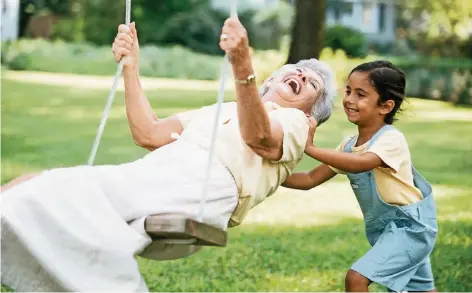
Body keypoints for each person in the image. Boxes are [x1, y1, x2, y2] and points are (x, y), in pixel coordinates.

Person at [0, 17, 337, 292]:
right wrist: (131, 66)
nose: (301, 75)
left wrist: (242, 66)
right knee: (25, 186)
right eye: (296, 70)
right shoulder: (226, 108)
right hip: (158, 171)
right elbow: (149, 132)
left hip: (198, 188)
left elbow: (260, 137)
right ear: (272, 79)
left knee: (44, 195)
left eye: (312, 85)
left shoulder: (295, 122)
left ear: (312, 114)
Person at [283, 60, 438, 292]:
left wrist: (311, 148)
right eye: (348, 91)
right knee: (423, 291)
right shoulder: (349, 146)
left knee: (356, 279)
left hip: (410, 229)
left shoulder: (391, 140)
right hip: (386, 232)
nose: (349, 100)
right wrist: (270, 177)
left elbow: (361, 164)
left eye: (360, 94)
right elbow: (309, 179)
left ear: (385, 106)